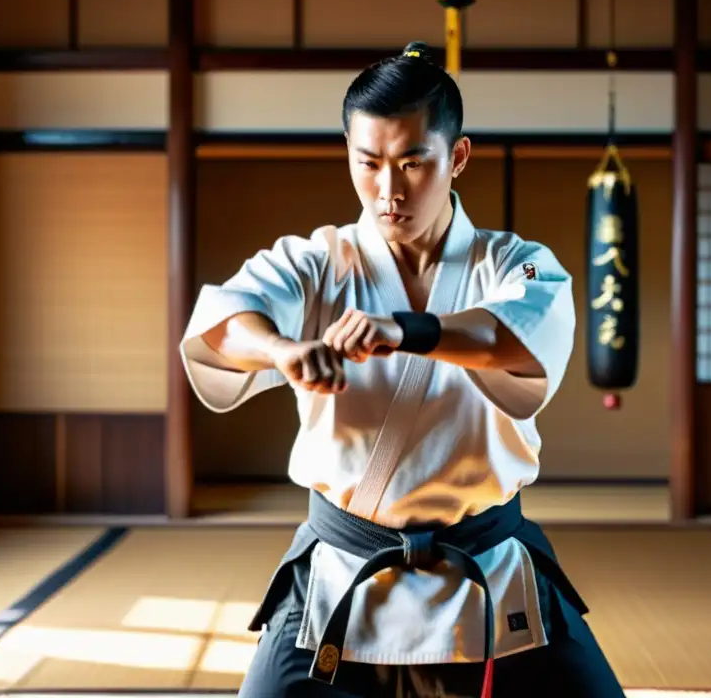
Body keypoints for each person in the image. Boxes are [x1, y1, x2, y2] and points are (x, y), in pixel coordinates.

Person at [180, 42, 626, 698]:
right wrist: (283, 351)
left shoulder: (518, 261)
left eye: (414, 163)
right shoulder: (313, 262)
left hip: (489, 567)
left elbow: (518, 332)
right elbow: (225, 317)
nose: (389, 191)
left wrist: (406, 331)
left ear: (458, 157)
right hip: (342, 573)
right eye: (370, 163)